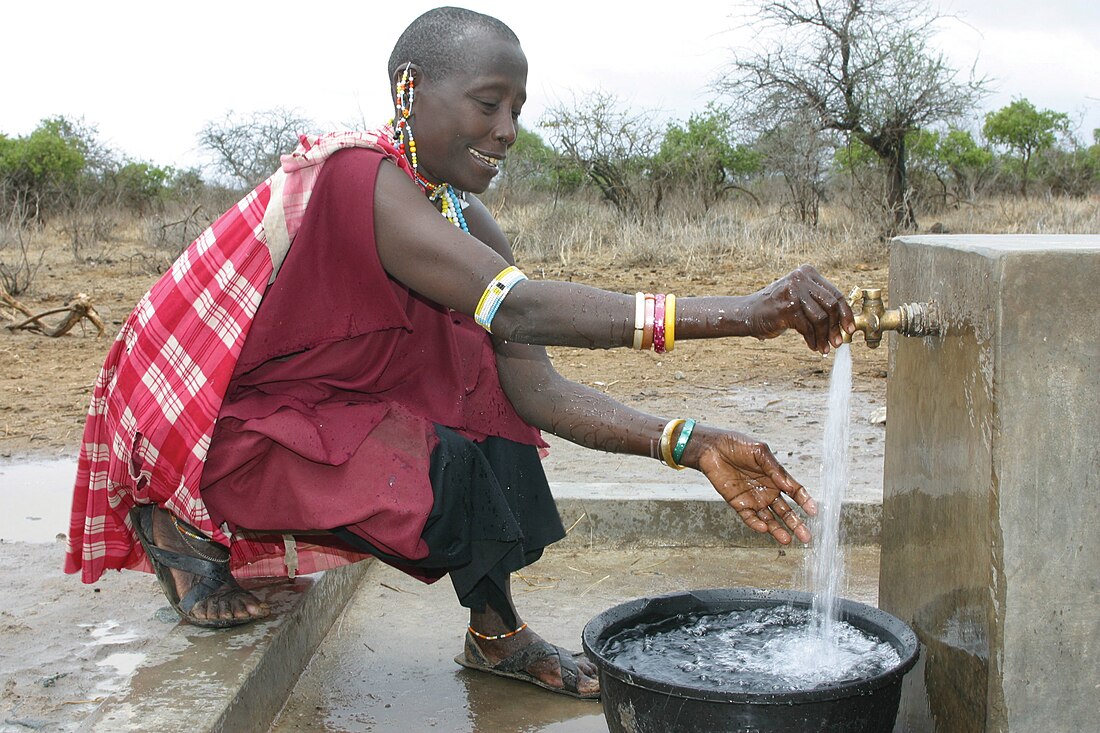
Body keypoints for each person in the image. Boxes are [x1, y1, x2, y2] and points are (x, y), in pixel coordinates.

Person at [65, 6, 854, 700]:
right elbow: (519, 304)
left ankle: (495, 635)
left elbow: (535, 388)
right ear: (408, 89)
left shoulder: (465, 220)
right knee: (442, 470)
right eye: (487, 103)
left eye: (516, 108)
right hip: (226, 437)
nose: (506, 130)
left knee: (495, 428)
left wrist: (691, 441)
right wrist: (746, 315)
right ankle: (176, 527)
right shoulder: (355, 179)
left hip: (320, 419)